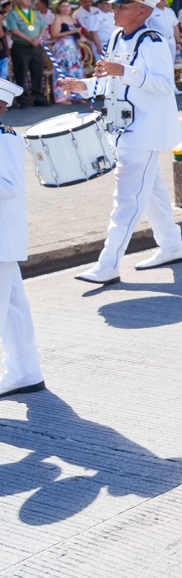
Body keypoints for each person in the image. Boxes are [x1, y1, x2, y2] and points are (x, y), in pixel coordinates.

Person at [63, 0, 182, 285]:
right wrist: (86, 86)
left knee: (127, 200)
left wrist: (125, 72)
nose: (114, 11)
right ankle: (172, 245)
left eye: (122, 6)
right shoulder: (118, 37)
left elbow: (163, 84)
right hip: (122, 127)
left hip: (144, 131)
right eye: (115, 5)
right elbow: (112, 81)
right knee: (151, 192)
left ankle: (108, 265)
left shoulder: (153, 41)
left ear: (142, 12)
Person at [0, 77, 42, 400]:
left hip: (2, 239)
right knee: (14, 309)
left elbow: (8, 186)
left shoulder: (5, 139)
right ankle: (26, 372)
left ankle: (24, 371)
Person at [5, 0, 47, 108]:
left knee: (38, 71)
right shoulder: (12, 14)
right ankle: (23, 100)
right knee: (21, 73)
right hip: (21, 46)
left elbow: (44, 26)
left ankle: (38, 97)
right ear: (17, 0)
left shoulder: (35, 12)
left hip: (36, 45)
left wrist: (38, 38)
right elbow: (13, 29)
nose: (29, 0)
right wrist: (29, 39)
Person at [48, 0, 86, 103]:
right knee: (62, 71)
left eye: (68, 6)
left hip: (73, 46)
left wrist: (80, 37)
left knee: (75, 70)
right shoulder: (58, 18)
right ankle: (62, 97)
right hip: (62, 46)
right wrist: (71, 31)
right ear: (59, 8)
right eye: (63, 6)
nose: (66, 8)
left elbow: (78, 33)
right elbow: (54, 35)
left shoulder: (73, 18)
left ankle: (77, 95)